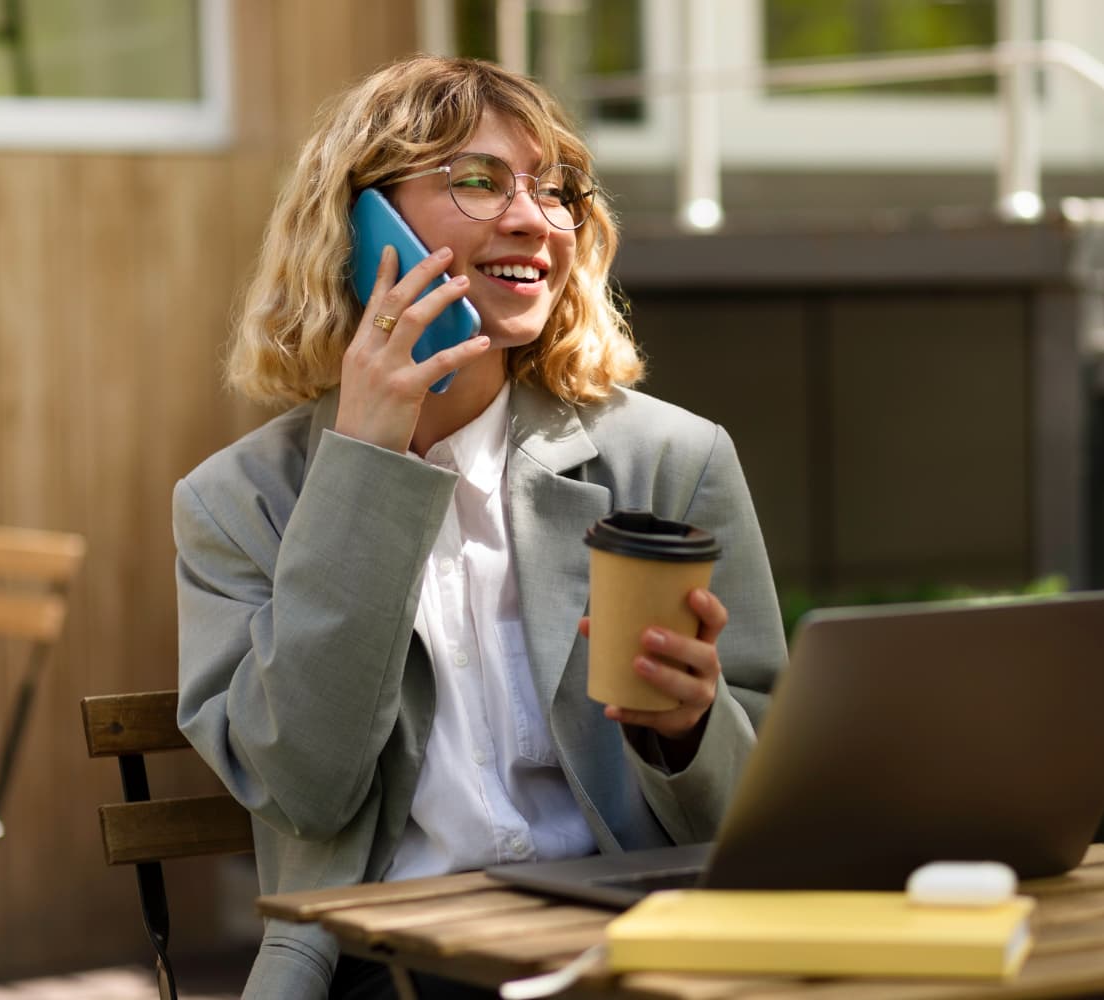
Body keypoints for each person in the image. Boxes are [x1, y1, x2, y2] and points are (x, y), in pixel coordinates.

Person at [173, 55, 786, 999]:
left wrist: (689, 732)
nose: (533, 219)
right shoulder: (237, 503)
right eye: (476, 180)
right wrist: (368, 469)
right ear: (358, 226)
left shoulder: (671, 461)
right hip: (390, 965)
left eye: (555, 192)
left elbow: (771, 799)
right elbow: (306, 781)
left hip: (635, 942)